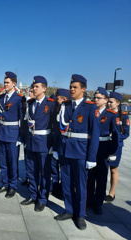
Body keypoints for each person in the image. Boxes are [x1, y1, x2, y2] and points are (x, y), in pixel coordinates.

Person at [53, 74, 100, 230]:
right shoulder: (66, 105)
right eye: (71, 87)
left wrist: (91, 157)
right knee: (65, 182)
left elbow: (95, 134)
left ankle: (80, 215)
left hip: (81, 152)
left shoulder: (90, 107)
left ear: (83, 89)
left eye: (75, 87)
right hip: (65, 150)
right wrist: (56, 149)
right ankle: (68, 209)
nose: (71, 90)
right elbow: (59, 130)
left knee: (80, 185)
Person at [21, 76, 56, 211]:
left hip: (44, 143)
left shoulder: (51, 104)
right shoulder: (30, 103)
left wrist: (53, 145)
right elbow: (25, 123)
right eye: (33, 87)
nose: (33, 89)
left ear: (44, 88)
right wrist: (24, 138)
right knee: (31, 171)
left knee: (44, 172)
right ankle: (33, 195)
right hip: (31, 141)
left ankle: (42, 198)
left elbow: (55, 126)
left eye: (36, 87)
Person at [87, 87, 120, 215]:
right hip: (91, 148)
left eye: (99, 98)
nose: (96, 99)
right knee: (90, 176)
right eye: (95, 97)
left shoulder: (111, 115)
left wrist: (111, 152)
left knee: (101, 178)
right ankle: (89, 199)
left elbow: (116, 136)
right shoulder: (91, 111)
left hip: (103, 147)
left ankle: (98, 203)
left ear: (106, 100)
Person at [0, 71, 23, 198]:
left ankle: (13, 186)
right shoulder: (1, 98)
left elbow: (23, 119)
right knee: (3, 161)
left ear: (14, 84)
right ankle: (5, 183)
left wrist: (20, 137)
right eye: (4, 82)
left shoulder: (19, 99)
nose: (5, 84)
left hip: (13, 134)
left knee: (12, 163)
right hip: (2, 133)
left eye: (7, 82)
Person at [105, 92, 130, 202]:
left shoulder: (123, 116)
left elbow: (126, 133)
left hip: (116, 146)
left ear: (118, 103)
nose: (109, 104)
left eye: (111, 102)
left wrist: (115, 138)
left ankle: (112, 193)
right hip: (104, 144)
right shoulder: (105, 114)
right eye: (108, 101)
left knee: (113, 169)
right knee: (102, 169)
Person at [50, 88, 71, 198]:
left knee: (64, 170)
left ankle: (63, 190)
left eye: (58, 98)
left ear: (64, 99)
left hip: (64, 143)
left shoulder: (69, 110)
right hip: (56, 141)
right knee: (54, 167)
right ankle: (55, 187)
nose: (56, 100)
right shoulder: (57, 109)